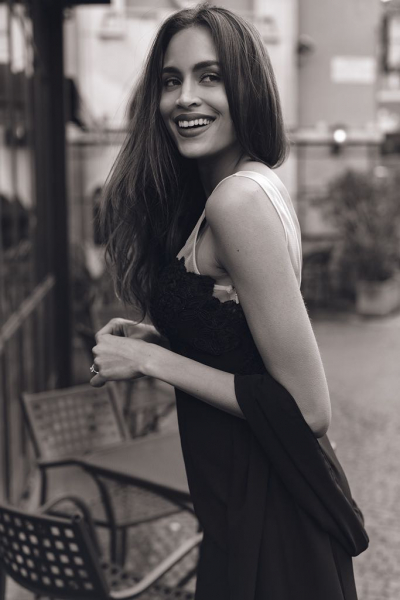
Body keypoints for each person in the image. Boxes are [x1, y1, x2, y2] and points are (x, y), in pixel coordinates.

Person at [90, 5, 368, 598]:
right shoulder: (248, 183)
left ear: (247, 88)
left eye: (210, 76)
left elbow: (307, 407)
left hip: (269, 513)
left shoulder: (235, 201)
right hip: (242, 502)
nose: (185, 97)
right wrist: (167, 337)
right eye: (171, 80)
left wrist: (150, 361)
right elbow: (247, 345)